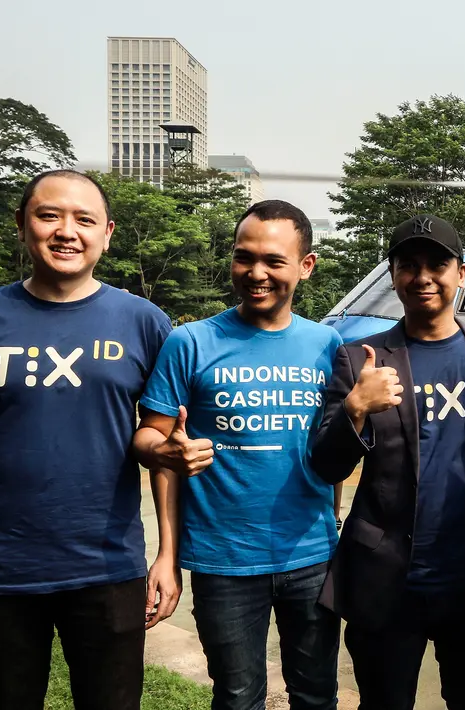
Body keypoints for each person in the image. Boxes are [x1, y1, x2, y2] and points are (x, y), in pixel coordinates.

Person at [0, 169, 176, 710]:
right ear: (22, 226)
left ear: (107, 233)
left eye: (84, 220)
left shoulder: (145, 322)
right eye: (49, 215)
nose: (67, 231)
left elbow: (163, 448)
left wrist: (167, 554)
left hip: (108, 566)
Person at [133, 199, 343, 710]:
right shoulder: (190, 342)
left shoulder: (327, 344)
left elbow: (333, 446)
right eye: (244, 257)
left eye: (274, 260)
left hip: (312, 556)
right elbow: (146, 438)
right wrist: (167, 454)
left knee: (316, 695)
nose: (256, 273)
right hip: (222, 560)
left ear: (305, 266)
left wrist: (332, 523)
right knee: (237, 695)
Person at [310, 214, 465, 710]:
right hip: (386, 576)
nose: (423, 276)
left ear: (461, 273)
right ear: (393, 274)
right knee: (383, 701)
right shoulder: (360, 357)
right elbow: (326, 465)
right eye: (409, 265)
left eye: (438, 264)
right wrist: (356, 409)